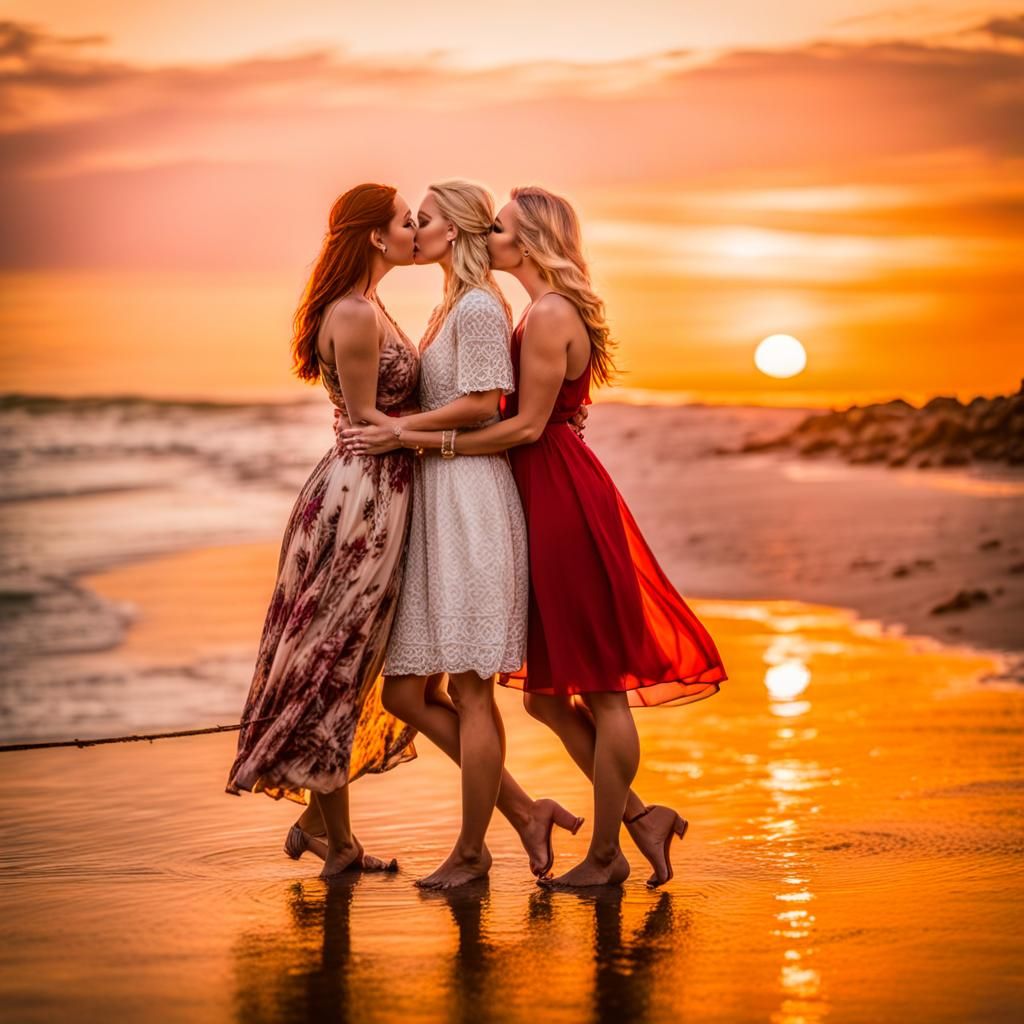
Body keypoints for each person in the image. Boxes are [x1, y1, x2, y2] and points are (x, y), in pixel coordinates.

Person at [343, 185, 727, 888]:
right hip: (534, 484)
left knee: (601, 687)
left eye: (502, 226)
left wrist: (413, 440)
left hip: (557, 497)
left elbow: (519, 423)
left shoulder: (543, 313)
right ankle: (638, 818)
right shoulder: (528, 311)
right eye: (488, 225)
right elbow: (533, 411)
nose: (490, 235)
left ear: (530, 240)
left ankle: (607, 852)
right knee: (547, 696)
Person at [226, 183, 421, 880]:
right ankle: (334, 840)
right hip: (360, 501)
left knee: (349, 660)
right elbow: (369, 424)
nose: (415, 229)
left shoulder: (371, 305)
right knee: (337, 658)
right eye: (405, 221)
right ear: (374, 236)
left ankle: (328, 832)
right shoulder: (354, 313)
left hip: (370, 490)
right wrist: (467, 435)